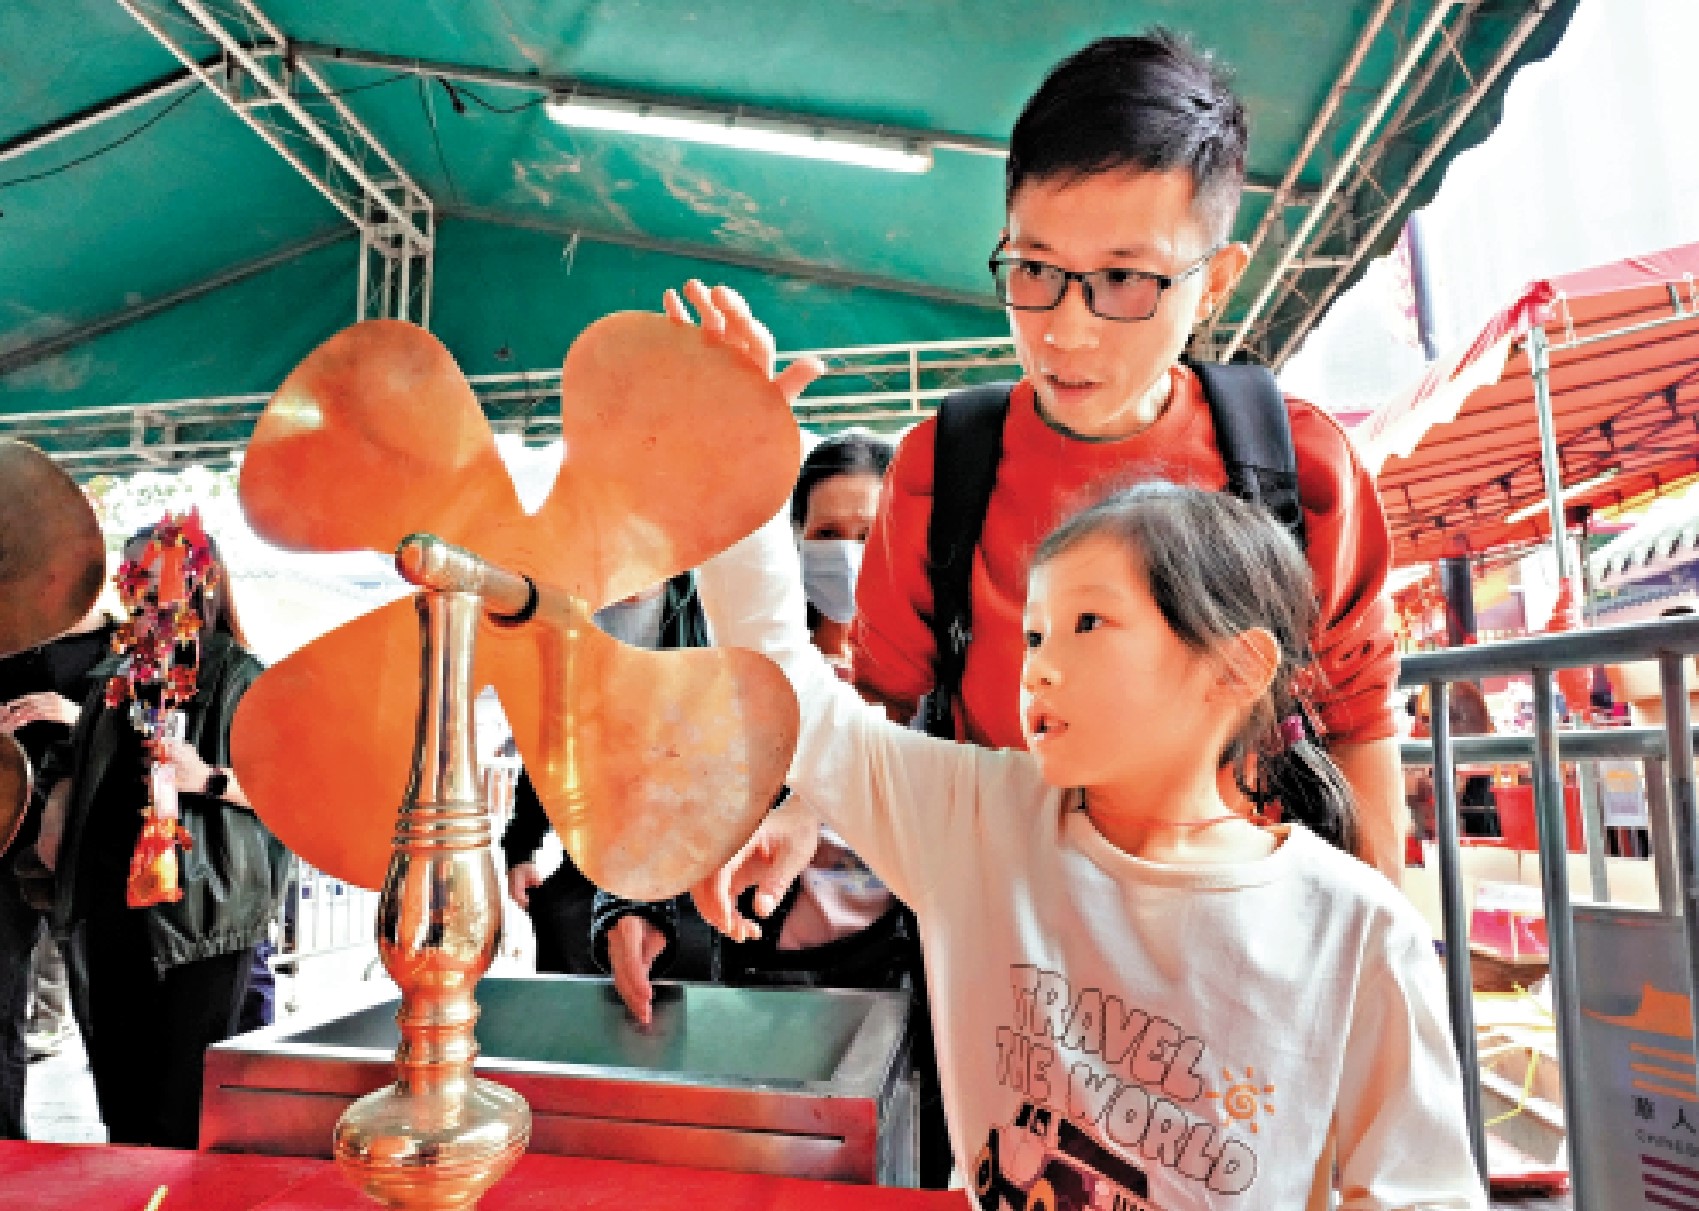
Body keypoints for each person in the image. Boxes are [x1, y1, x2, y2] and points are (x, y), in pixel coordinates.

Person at [695, 468, 1480, 1206]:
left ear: (1234, 669)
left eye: (1087, 623)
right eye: (1034, 635)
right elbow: (790, 692)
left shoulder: (1353, 927)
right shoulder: (976, 822)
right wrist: (736, 453)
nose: (1036, 668)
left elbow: (1419, 1189)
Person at [845, 32, 1405, 880]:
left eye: (1123, 280)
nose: (1064, 331)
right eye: (1034, 268)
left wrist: (1380, 940)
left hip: (1233, 926)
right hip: (1008, 926)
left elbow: (1356, 724)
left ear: (1216, 282)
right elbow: (879, 703)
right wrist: (800, 820)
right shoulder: (940, 470)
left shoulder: (1297, 466)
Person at [43, 516, 286, 1149]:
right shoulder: (113, 675)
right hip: (108, 900)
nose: (141, 593)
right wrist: (57, 806)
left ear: (200, 580)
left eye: (156, 576)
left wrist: (209, 778)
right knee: (120, 1094)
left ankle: (179, 1192)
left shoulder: (238, 674)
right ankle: (132, 1188)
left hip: (204, 910)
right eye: (131, 578)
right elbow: (76, 764)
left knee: (183, 1101)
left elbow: (293, 791)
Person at [501, 572, 709, 975]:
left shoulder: (705, 605)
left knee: (685, 991)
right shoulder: (566, 615)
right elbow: (545, 739)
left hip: (689, 862)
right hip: (588, 861)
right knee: (580, 987)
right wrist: (521, 849)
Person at [0, 605, 115, 1139]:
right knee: (3, 997)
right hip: (8, 835)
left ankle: (131, 1138)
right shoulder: (9, 636)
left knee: (108, 1004)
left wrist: (77, 716)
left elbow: (148, 735)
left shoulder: (123, 643)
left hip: (92, 842)